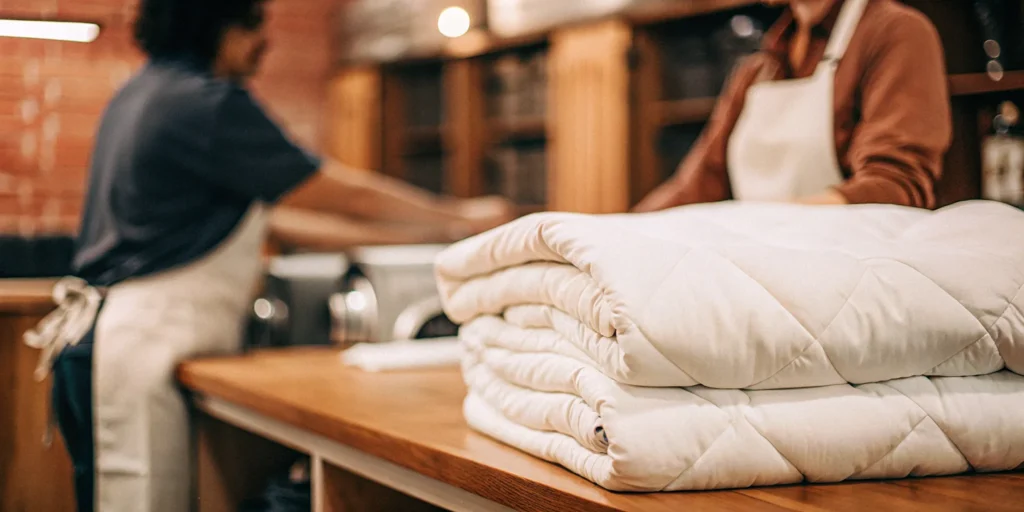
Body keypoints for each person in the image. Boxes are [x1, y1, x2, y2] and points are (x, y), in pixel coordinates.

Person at [27, 0, 515, 511]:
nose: (265, 40)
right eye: (251, 24)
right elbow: (329, 190)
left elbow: (281, 222)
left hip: (98, 347)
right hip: (132, 348)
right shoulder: (206, 104)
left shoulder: (144, 92)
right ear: (211, 24)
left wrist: (433, 241)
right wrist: (462, 217)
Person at [633, 0, 952, 212]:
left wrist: (770, 225)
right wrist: (609, 233)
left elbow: (896, 187)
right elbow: (698, 186)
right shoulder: (757, 70)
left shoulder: (897, 32)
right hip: (762, 264)